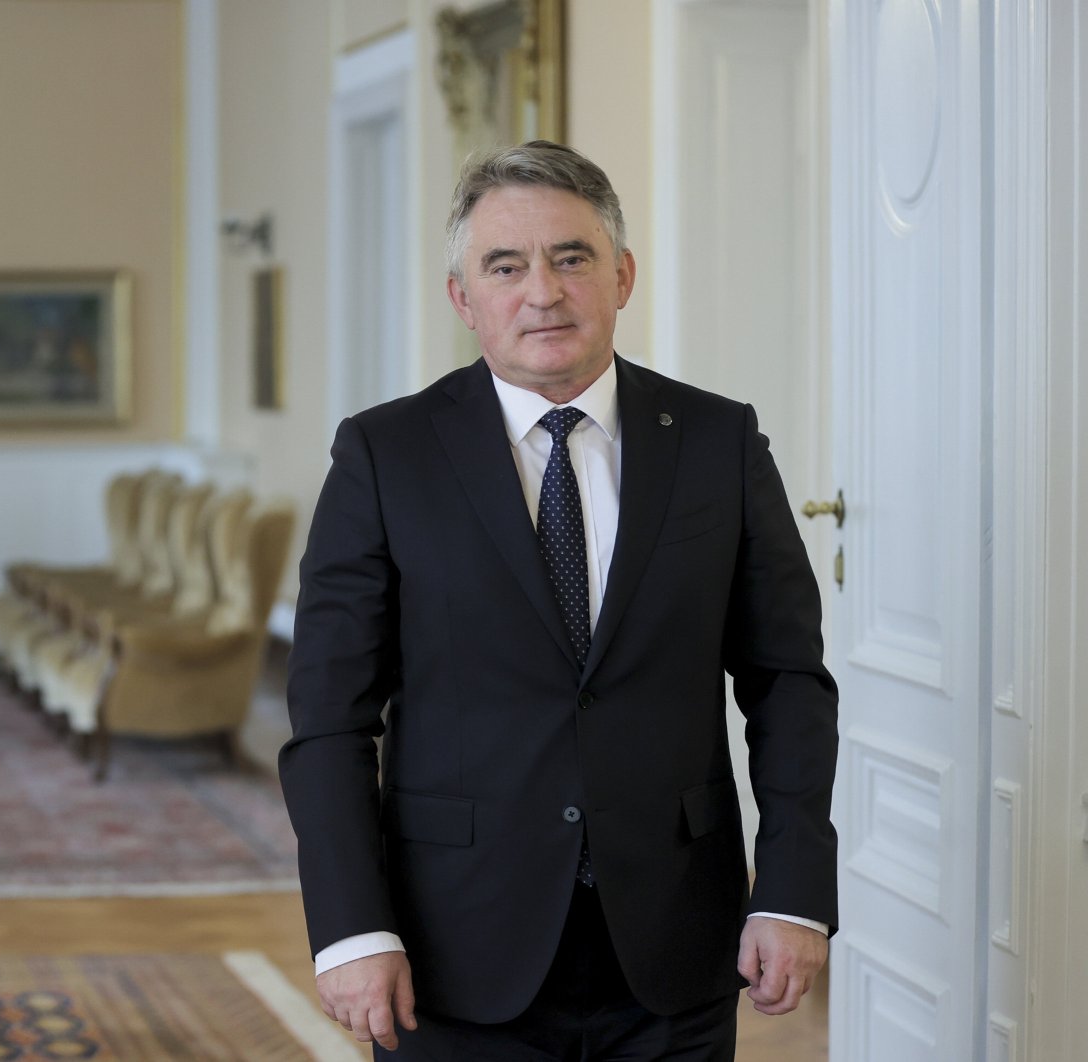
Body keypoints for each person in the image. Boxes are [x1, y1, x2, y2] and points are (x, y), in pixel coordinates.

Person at [279, 141, 837, 1060]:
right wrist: (351, 928)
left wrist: (790, 888)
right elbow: (330, 716)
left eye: (571, 258)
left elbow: (789, 682)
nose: (542, 291)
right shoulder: (385, 457)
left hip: (675, 944)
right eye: (506, 265)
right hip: (451, 950)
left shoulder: (717, 441)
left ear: (620, 276)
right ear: (464, 298)